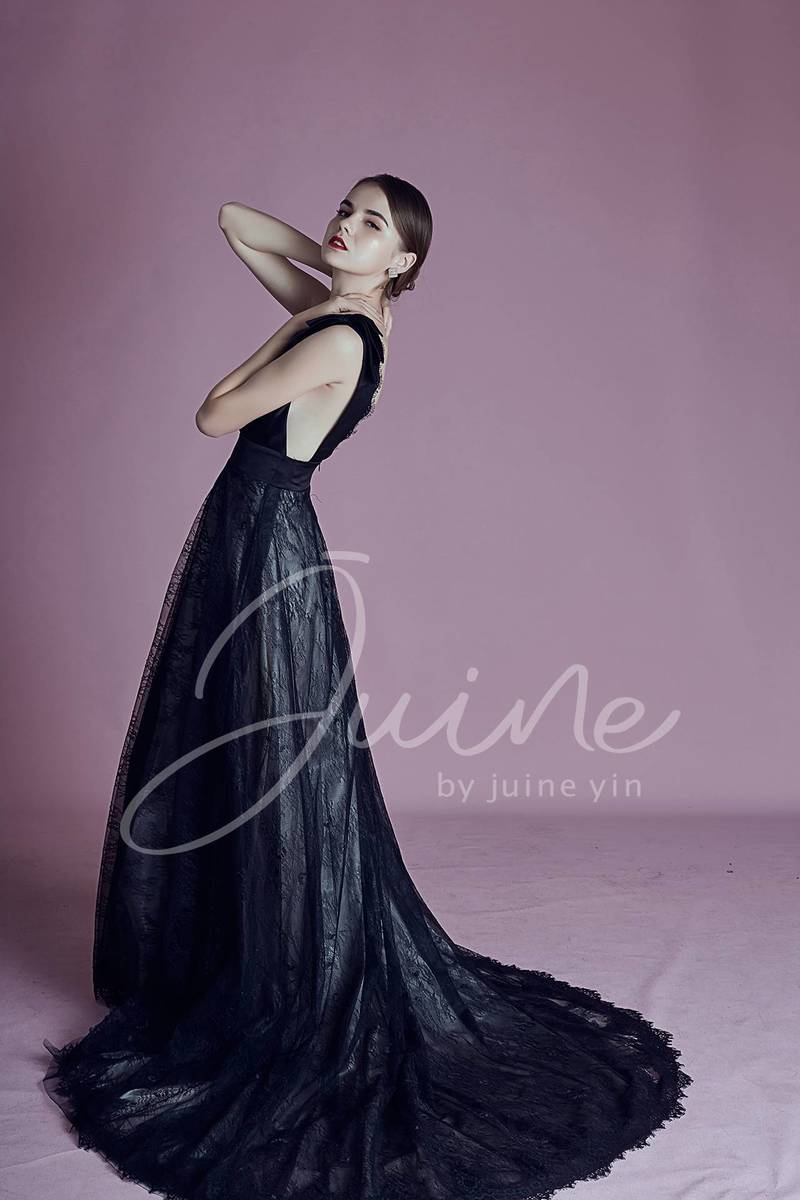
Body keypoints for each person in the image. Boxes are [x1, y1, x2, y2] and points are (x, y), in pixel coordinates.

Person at [42, 173, 692, 1200]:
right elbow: (234, 222)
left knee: (273, 762)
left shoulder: (338, 339)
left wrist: (310, 316)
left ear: (407, 260)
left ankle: (291, 977)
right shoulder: (350, 317)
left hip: (264, 545)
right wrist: (340, 273)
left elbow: (211, 415)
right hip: (258, 533)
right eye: (346, 209)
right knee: (243, 747)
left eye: (373, 223)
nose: (346, 223)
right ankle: (243, 948)